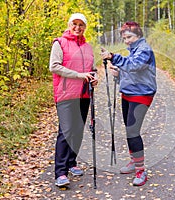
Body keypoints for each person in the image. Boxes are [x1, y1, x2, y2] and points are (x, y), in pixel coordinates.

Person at [101, 21, 157, 186]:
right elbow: (130, 73)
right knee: (129, 130)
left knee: (133, 131)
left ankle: (141, 170)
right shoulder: (133, 50)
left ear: (138, 35)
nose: (127, 40)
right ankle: (134, 161)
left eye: (130, 37)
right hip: (128, 93)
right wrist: (117, 73)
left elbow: (134, 66)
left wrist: (113, 57)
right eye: (124, 38)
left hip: (142, 95)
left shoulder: (144, 49)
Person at [49, 13, 98, 187]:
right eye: (74, 24)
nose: (78, 27)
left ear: (85, 27)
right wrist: (79, 75)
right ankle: (60, 172)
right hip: (65, 95)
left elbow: (92, 68)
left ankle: (71, 162)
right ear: (69, 24)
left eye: (81, 25)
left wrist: (93, 77)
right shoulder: (59, 43)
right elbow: (54, 66)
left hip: (83, 94)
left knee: (77, 131)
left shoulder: (87, 47)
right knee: (66, 131)